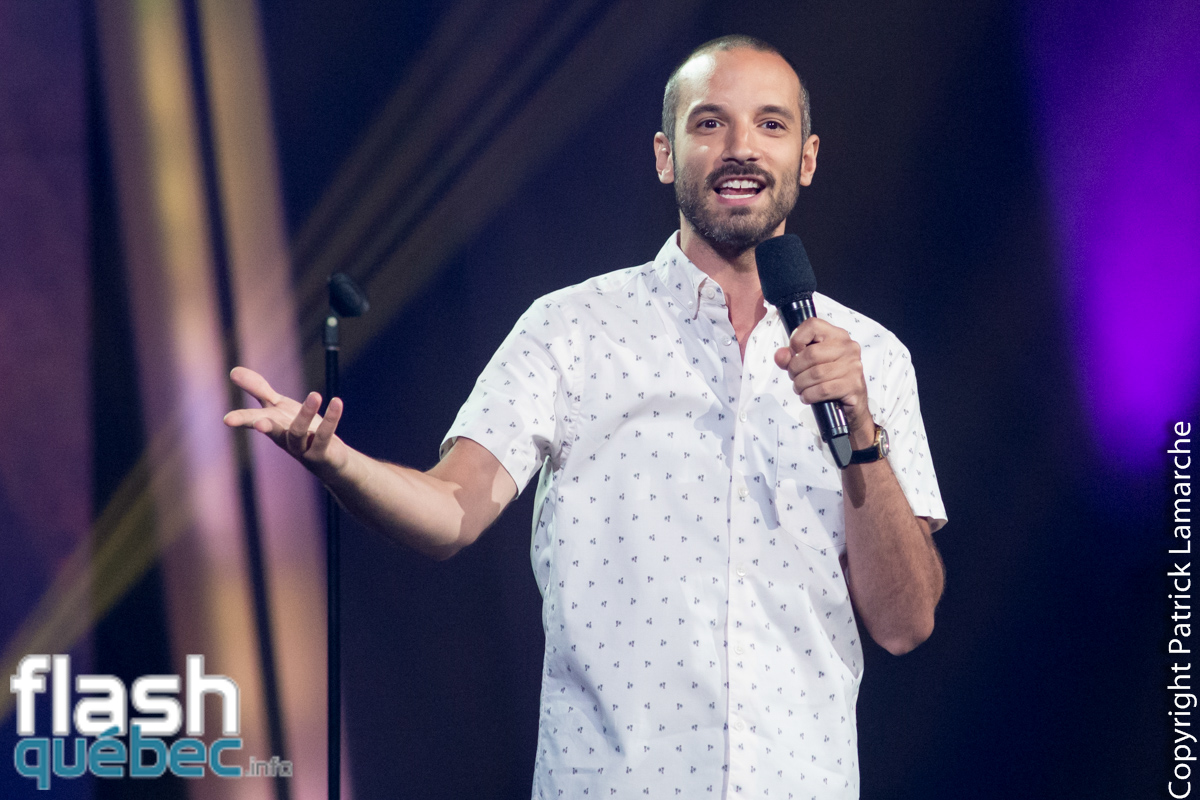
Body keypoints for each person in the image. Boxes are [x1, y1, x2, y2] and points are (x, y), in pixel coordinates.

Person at [225, 35, 946, 800]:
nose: (741, 147)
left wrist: (861, 434)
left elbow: (904, 624)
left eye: (771, 124)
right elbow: (451, 511)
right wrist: (338, 463)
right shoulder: (573, 329)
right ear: (665, 155)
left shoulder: (872, 358)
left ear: (806, 158)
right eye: (710, 123)